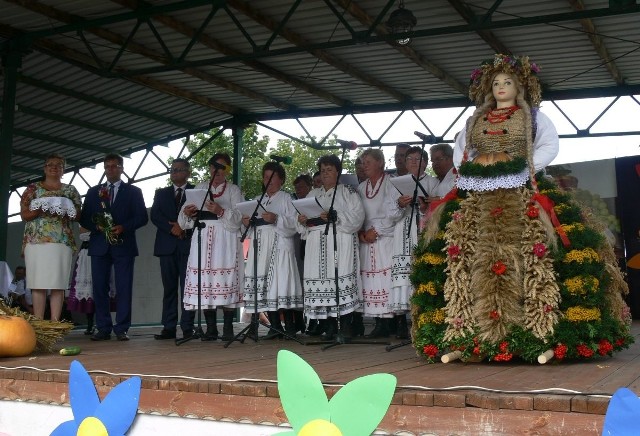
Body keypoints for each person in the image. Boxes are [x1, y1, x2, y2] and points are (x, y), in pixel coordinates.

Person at [412, 54, 632, 363]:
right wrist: (472, 171)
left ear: (520, 86)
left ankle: (540, 332)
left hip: (523, 187)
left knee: (535, 250)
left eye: (508, 82)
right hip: (479, 190)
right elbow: (462, 148)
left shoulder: (536, 117)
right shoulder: (476, 119)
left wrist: (523, 168)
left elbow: (549, 147)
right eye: (497, 83)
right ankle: (469, 334)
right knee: (462, 253)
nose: (501, 87)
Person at [80, 153, 148, 341]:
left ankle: (122, 328)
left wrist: (124, 227)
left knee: (124, 286)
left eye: (114, 166)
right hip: (99, 244)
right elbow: (84, 217)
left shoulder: (134, 191)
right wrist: (97, 227)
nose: (110, 169)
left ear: (122, 168)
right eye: (107, 166)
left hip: (124, 244)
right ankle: (103, 327)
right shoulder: (94, 192)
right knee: (99, 287)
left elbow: (142, 217)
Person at [178, 153, 244, 341]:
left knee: (225, 280)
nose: (217, 171)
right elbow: (183, 222)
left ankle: (229, 328)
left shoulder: (233, 190)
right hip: (203, 235)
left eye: (222, 167)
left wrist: (221, 211)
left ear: (227, 170)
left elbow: (239, 219)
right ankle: (211, 328)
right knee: (205, 281)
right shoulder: (199, 188)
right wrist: (188, 213)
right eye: (214, 167)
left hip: (225, 238)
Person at [297, 154, 364, 340]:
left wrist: (336, 217)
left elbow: (358, 217)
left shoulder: (347, 192)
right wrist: (301, 220)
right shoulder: (312, 194)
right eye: (322, 170)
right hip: (316, 243)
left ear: (337, 172)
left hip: (340, 241)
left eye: (329, 170)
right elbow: (301, 222)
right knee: (322, 283)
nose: (325, 173)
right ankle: (329, 326)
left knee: (339, 281)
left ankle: (346, 326)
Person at [242, 162, 303, 338]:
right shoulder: (257, 200)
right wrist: (247, 222)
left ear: (281, 180)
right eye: (266, 177)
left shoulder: (286, 198)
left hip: (280, 247)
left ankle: (290, 328)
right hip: (261, 249)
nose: (268, 181)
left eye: (273, 177)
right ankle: (275, 327)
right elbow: (250, 228)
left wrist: (276, 218)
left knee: (282, 285)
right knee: (267, 288)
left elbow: (295, 223)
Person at [20, 153, 82, 321]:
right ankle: (39, 324)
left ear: (63, 169)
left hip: (62, 241)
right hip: (36, 241)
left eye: (59, 165)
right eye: (50, 164)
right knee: (37, 283)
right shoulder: (32, 189)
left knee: (58, 283)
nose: (54, 167)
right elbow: (24, 215)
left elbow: (78, 215)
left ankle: (55, 324)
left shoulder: (70, 190)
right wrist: (39, 209)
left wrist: (63, 208)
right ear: (44, 168)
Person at [357, 149, 403, 337]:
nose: (364, 165)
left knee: (389, 278)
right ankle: (380, 323)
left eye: (368, 161)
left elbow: (395, 213)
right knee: (370, 281)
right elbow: (357, 215)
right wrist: (361, 233)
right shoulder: (361, 188)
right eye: (362, 162)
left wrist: (376, 231)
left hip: (385, 239)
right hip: (367, 241)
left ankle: (397, 323)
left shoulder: (391, 183)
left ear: (380, 163)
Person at [150, 158, 197, 341]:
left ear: (188, 172)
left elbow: (198, 213)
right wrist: (173, 228)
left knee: (188, 288)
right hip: (167, 246)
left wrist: (182, 226)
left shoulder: (195, 191)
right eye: (172, 169)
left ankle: (187, 327)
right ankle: (168, 327)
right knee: (169, 288)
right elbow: (155, 216)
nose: (174, 172)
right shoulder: (161, 193)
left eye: (178, 169)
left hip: (188, 246)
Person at [388, 146, 430, 339]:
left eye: (418, 158)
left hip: (422, 231)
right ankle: (400, 324)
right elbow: (387, 214)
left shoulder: (432, 182)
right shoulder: (394, 184)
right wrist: (399, 204)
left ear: (425, 162)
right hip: (402, 232)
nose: (413, 162)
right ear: (404, 163)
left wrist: (423, 206)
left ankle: (423, 321)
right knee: (402, 277)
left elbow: (438, 207)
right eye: (410, 159)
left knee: (422, 275)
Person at [66, 228, 117, 335]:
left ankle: (104, 323)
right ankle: (90, 324)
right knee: (89, 291)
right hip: (87, 251)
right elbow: (82, 230)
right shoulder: (86, 213)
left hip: (104, 249)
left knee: (102, 287)